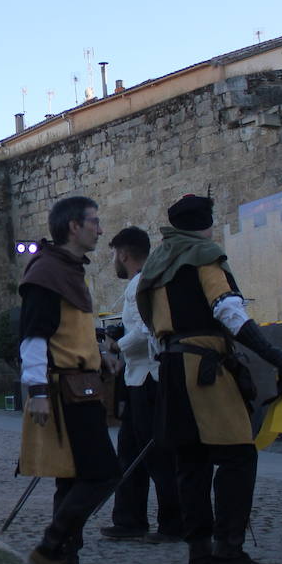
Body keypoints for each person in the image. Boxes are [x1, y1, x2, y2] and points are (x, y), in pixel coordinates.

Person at [137, 194, 282, 564]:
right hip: (202, 368)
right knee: (237, 455)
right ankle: (228, 552)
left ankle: (199, 550)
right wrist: (275, 354)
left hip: (173, 365)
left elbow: (150, 323)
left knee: (191, 461)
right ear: (205, 225)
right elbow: (227, 310)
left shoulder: (157, 265)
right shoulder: (204, 254)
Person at [16, 196, 121, 564]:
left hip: (82, 385)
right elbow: (33, 335)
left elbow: (68, 331)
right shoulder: (46, 271)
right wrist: (37, 391)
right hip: (63, 392)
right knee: (102, 474)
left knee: (74, 479)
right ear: (73, 227)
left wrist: (100, 356)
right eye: (94, 221)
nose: (99, 228)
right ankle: (49, 550)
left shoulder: (68, 271)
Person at [100, 227, 182, 543]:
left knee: (157, 454)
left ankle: (173, 523)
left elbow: (147, 331)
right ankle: (129, 518)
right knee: (130, 451)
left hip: (150, 378)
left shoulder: (141, 282)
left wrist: (116, 347)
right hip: (138, 378)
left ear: (123, 253)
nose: (113, 262)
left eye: (113, 256)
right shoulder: (147, 280)